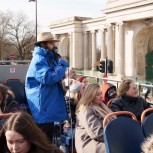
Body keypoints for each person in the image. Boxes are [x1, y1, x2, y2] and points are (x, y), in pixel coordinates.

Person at [25, 32, 68, 142]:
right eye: (52, 43)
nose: (54, 46)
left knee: (47, 140)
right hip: (44, 106)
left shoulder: (47, 58)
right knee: (43, 141)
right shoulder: (39, 59)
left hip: (48, 104)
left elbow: (55, 75)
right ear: (44, 44)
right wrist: (62, 64)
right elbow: (49, 78)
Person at [75, 83, 116, 153]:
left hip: (103, 138)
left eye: (101, 93)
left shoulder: (100, 106)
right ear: (90, 96)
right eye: (98, 94)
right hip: (89, 142)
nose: (101, 96)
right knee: (118, 148)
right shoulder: (85, 110)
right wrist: (116, 138)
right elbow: (96, 133)